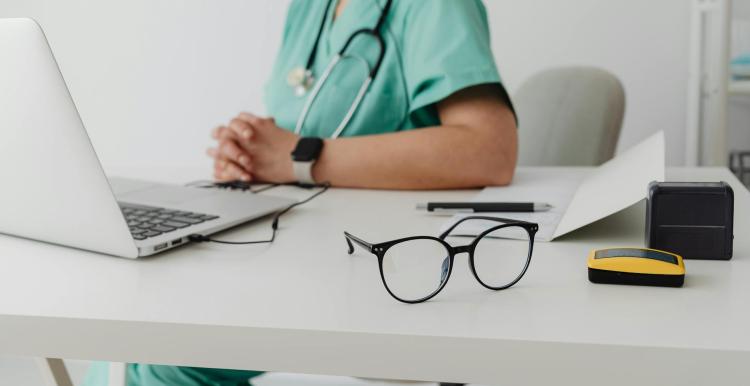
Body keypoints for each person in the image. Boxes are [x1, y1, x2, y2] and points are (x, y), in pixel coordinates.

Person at [85, 0, 517, 384]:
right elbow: (306, 129)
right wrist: (253, 159)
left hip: (386, 271)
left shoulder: (436, 7)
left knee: (163, 359)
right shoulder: (310, 7)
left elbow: (490, 151)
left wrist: (296, 155)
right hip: (301, 251)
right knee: (131, 337)